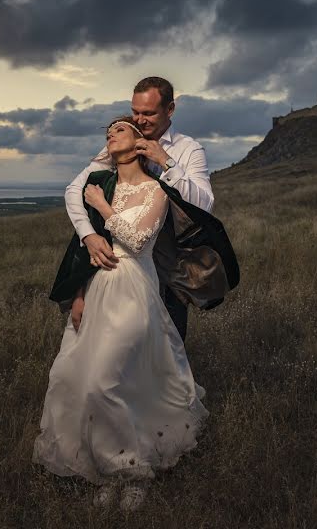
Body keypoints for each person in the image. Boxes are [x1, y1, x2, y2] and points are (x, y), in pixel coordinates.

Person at [33, 117, 213, 512]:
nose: (111, 133)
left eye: (120, 129)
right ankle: (105, 465)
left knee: (104, 381)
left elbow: (137, 240)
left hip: (134, 289)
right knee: (72, 375)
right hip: (96, 290)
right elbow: (87, 249)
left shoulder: (156, 190)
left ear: (140, 143)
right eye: (108, 131)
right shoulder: (103, 182)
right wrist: (78, 295)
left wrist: (99, 206)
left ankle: (132, 471)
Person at [64, 76, 213, 341]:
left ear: (170, 110)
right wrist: (88, 235)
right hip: (114, 270)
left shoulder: (188, 150)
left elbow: (204, 206)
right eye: (135, 112)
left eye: (148, 113)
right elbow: (76, 189)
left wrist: (166, 162)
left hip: (168, 274)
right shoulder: (123, 141)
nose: (140, 120)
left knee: (166, 351)